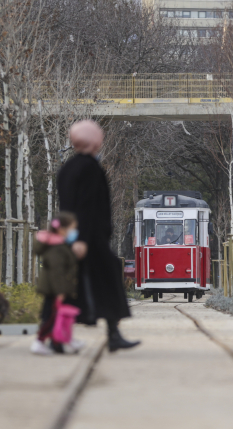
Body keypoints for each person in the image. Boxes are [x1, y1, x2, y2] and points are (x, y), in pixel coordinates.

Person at [57, 120, 140, 352]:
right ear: (94, 140)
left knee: (67, 287)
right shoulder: (90, 169)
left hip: (74, 237)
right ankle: (112, 334)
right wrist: (82, 238)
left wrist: (70, 236)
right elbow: (84, 207)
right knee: (109, 278)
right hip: (90, 239)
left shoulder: (67, 168)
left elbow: (66, 208)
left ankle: (59, 334)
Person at [30, 211, 85, 355]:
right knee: (51, 318)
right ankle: (39, 342)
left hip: (55, 289)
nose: (74, 232)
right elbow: (57, 272)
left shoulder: (60, 245)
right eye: (72, 228)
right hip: (54, 290)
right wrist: (60, 292)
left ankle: (64, 340)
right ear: (62, 230)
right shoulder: (57, 248)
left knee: (59, 317)